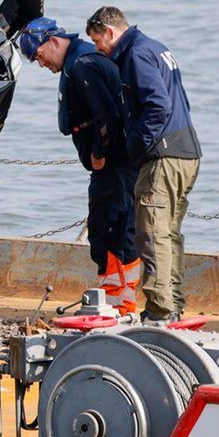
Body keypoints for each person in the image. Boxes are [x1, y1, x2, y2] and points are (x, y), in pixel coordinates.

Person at [19, 17, 141, 315]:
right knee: (116, 226)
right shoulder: (81, 60)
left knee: (110, 227)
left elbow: (106, 116)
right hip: (118, 163)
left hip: (114, 163)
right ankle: (119, 298)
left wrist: (100, 152)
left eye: (39, 56)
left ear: (54, 41)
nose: (41, 64)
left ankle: (118, 301)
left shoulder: (84, 65)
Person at [85, 6, 200, 322]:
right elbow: (177, 101)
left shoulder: (135, 55)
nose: (98, 49)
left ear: (110, 31)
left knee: (150, 232)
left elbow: (158, 107)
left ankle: (160, 309)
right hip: (187, 151)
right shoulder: (156, 47)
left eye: (97, 41)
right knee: (169, 232)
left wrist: (135, 145)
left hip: (163, 156)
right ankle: (173, 303)